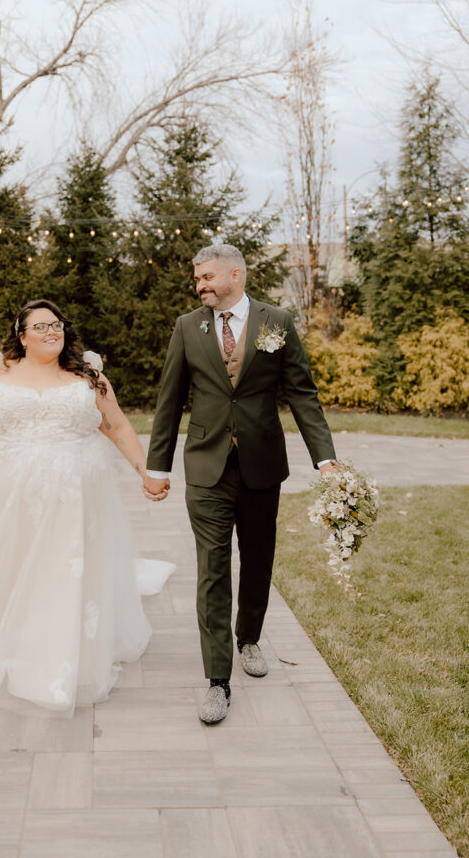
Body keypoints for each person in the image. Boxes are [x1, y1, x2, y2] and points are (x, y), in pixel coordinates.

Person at [0, 299, 174, 716]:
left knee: (62, 570)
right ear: (22, 335)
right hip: (6, 496)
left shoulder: (88, 374)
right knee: (9, 566)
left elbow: (117, 425)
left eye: (58, 325)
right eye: (41, 326)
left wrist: (144, 470)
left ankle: (60, 653)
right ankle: (7, 646)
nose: (53, 332)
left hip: (75, 498)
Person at [145, 245, 337, 725]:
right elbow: (170, 398)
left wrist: (326, 458)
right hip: (206, 467)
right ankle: (217, 681)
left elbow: (302, 394)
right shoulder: (189, 327)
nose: (200, 285)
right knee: (212, 567)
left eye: (207, 277)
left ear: (235, 274)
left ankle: (248, 637)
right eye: (197, 279)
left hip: (261, 464)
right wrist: (158, 466)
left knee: (257, 559)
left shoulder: (278, 322)